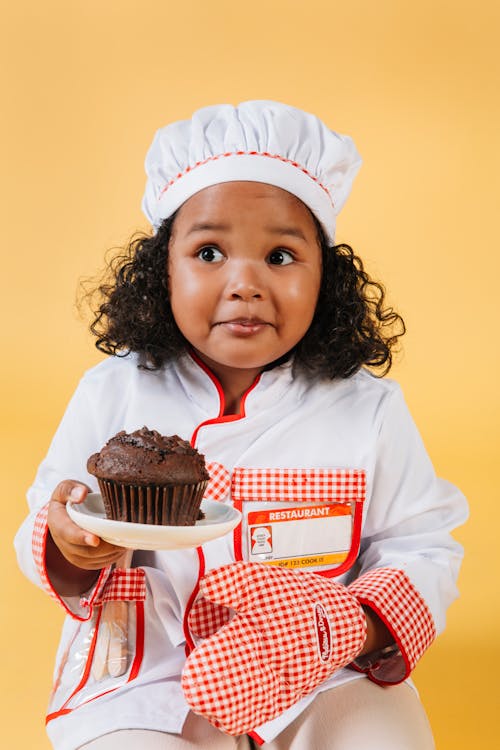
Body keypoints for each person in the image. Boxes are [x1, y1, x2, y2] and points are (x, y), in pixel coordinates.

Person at [14, 101, 468, 750]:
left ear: (327, 277)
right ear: (161, 270)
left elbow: (422, 546)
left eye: (281, 256)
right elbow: (51, 509)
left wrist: (349, 625)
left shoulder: (368, 408)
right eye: (208, 251)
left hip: (319, 674)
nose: (246, 281)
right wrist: (69, 541)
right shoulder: (112, 390)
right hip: (145, 671)